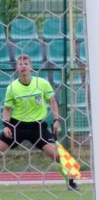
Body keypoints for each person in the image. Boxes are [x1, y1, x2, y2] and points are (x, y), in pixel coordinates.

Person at [1, 54, 77, 191]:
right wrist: (6, 125)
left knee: (55, 154)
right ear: (17, 68)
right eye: (20, 63)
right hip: (17, 125)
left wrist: (56, 120)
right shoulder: (12, 88)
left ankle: (71, 181)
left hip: (37, 127)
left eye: (26, 63)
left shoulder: (42, 83)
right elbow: (6, 109)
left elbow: (52, 101)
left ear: (30, 66)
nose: (23, 65)